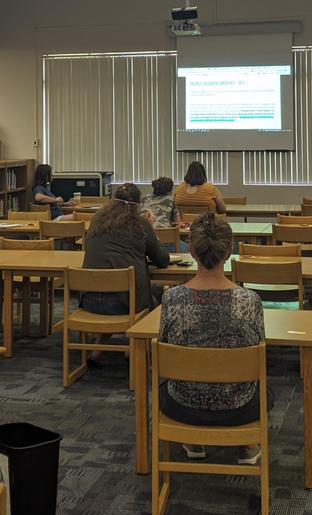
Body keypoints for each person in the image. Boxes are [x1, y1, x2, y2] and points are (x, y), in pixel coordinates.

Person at [158, 212, 265, 464]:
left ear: (192, 250)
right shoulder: (250, 301)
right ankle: (248, 443)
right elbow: (259, 351)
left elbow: (165, 344)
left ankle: (193, 440)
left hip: (183, 405)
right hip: (238, 407)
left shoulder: (171, 299)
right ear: (229, 252)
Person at [81, 183, 171, 362]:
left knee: (115, 290)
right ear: (137, 205)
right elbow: (162, 259)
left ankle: (97, 350)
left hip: (88, 300)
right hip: (123, 304)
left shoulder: (97, 219)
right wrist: (151, 228)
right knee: (158, 297)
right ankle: (137, 347)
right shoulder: (140, 223)